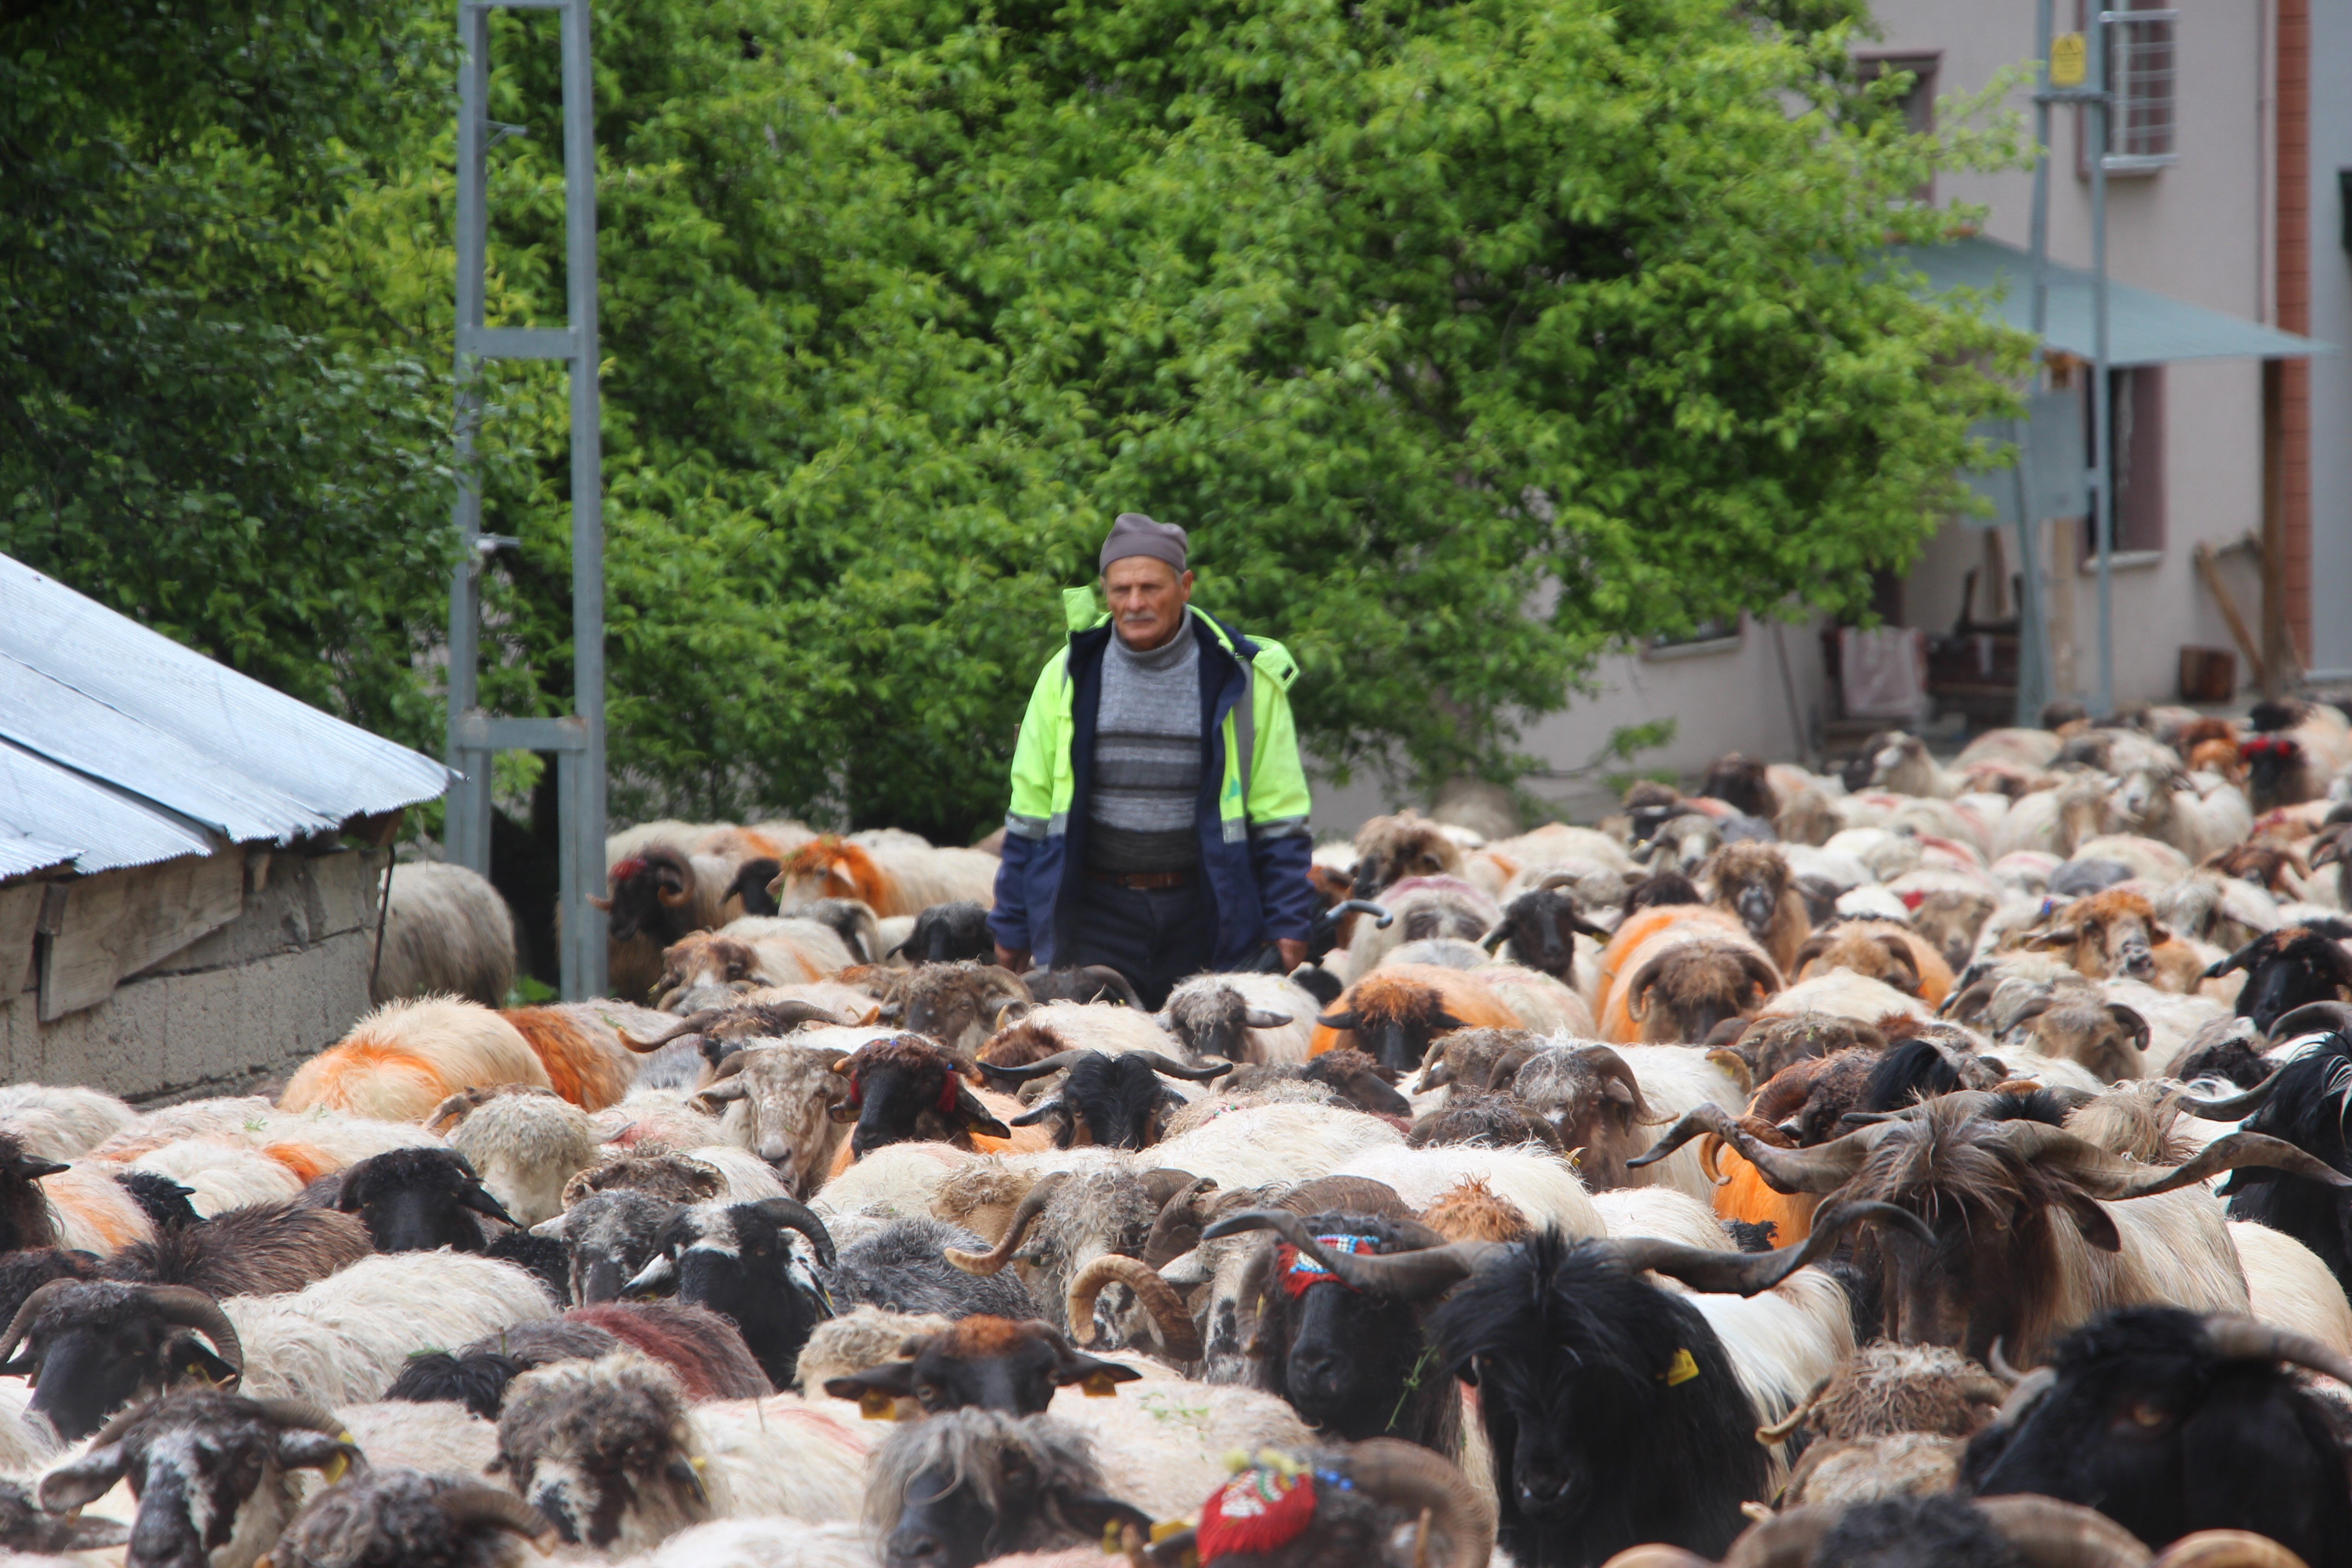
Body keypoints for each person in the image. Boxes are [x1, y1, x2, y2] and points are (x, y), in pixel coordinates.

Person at [988, 513, 1316, 1009]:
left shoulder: (1244, 681)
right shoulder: (1067, 675)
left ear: (1185, 586)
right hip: (1094, 914)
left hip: (1207, 913)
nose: (1135, 603)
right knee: (1092, 1069)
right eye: (1121, 590)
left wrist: (1290, 924)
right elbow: (1031, 816)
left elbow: (1281, 818)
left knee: (1212, 1071)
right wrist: (1011, 925)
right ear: (1104, 592)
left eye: (1150, 587)